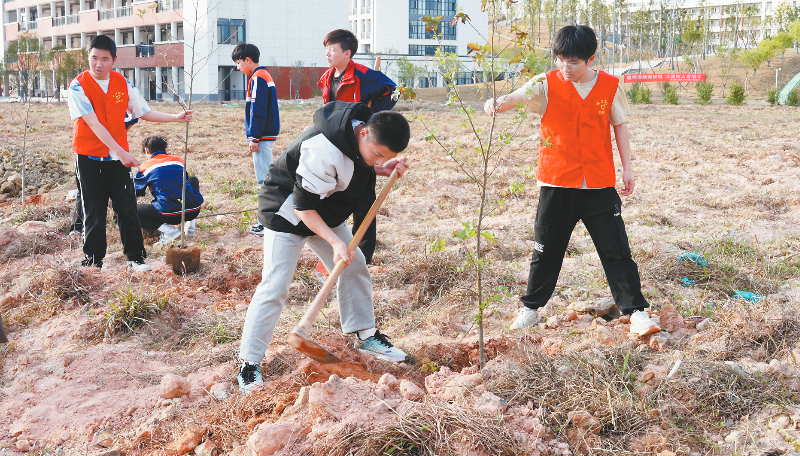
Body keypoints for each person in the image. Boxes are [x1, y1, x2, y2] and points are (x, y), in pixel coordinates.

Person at [483, 25, 660, 337]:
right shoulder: (546, 83)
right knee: (545, 251)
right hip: (557, 183)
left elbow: (619, 125)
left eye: (573, 62)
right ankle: (530, 308)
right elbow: (517, 97)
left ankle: (636, 312)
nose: (565, 67)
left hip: (598, 184)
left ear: (590, 59)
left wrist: (627, 169)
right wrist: (496, 103)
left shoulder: (609, 86)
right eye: (561, 59)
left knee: (617, 251)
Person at [237, 101, 410, 393]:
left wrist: (381, 167)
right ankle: (249, 363)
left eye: (386, 156)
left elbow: (356, 166)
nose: (378, 159)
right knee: (275, 285)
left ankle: (366, 336)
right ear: (363, 133)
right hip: (287, 210)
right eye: (378, 154)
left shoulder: (362, 142)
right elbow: (303, 207)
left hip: (325, 208)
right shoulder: (323, 148)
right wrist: (335, 241)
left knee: (354, 266)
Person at [69, 35, 192, 270]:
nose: (98, 64)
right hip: (89, 157)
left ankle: (136, 257)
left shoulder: (122, 83)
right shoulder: (77, 86)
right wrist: (121, 152)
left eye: (105, 59)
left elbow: (143, 111)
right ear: (88, 57)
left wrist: (175, 118)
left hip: (118, 159)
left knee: (127, 207)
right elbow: (93, 124)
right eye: (94, 58)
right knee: (93, 209)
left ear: (114, 60)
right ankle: (93, 261)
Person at [318, 29, 397, 266]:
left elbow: (393, 91)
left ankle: (364, 256)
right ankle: (336, 248)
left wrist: (371, 119)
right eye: (326, 49)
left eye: (332, 49)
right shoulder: (326, 78)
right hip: (337, 143)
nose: (327, 54)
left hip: (361, 145)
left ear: (347, 53)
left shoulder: (363, 74)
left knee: (364, 200)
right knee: (334, 195)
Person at [231, 43, 280, 236]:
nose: (238, 67)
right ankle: (268, 220)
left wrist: (254, 137)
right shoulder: (263, 75)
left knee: (264, 180)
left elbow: (258, 109)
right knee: (267, 178)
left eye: (238, 63)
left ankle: (266, 222)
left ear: (247, 60)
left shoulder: (258, 77)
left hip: (262, 136)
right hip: (265, 134)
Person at [134, 135, 204, 245]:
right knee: (193, 180)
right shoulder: (178, 160)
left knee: (132, 210)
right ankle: (191, 223)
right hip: (194, 210)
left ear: (147, 151)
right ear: (165, 149)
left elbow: (137, 191)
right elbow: (185, 180)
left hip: (169, 215)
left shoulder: (144, 167)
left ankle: (169, 232)